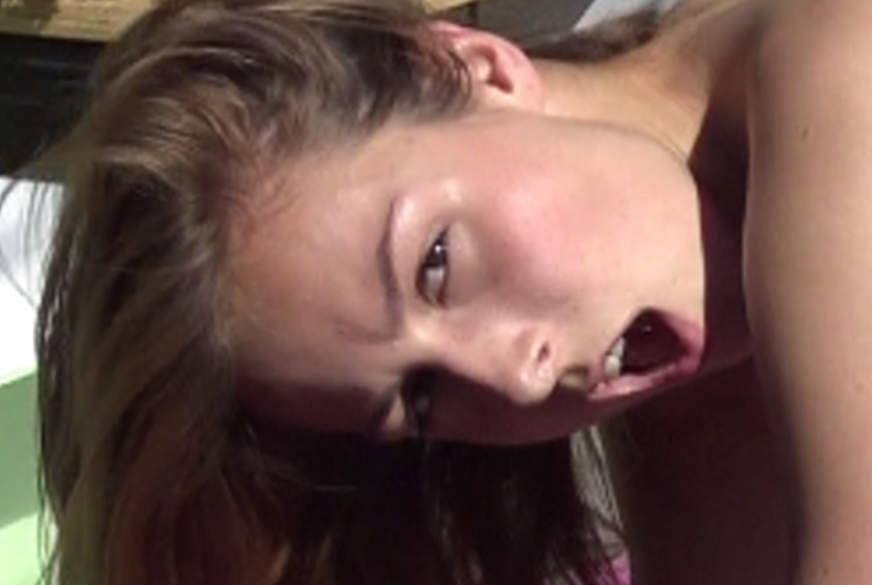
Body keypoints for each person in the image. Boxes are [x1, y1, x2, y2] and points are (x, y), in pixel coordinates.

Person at [5, 0, 872, 583]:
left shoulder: (839, 66)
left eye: (436, 264)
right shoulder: (682, 393)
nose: (520, 376)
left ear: (475, 66)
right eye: (421, 397)